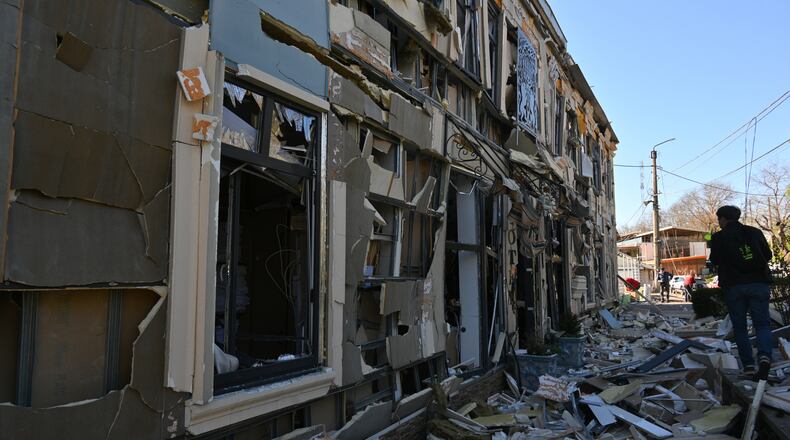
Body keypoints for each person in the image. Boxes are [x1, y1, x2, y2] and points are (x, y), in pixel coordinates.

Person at [709, 205, 773, 380]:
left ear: (723, 219)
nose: (719, 223)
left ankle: (749, 367)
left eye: (719, 219)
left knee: (740, 327)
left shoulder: (718, 237)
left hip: (734, 286)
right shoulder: (755, 232)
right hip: (759, 283)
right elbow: (768, 255)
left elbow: (714, 260)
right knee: (762, 324)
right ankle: (765, 356)